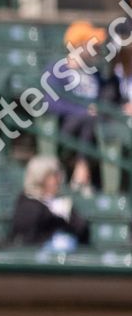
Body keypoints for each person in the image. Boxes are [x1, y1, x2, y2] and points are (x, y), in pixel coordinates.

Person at [43, 21, 110, 190]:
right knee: (88, 117)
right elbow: (49, 102)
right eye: (92, 44)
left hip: (93, 128)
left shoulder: (95, 73)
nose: (97, 48)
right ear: (79, 46)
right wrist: (81, 110)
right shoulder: (58, 70)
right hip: (65, 126)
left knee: (93, 119)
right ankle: (81, 168)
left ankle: (82, 169)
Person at [7, 156, 89, 252]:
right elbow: (29, 234)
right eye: (53, 176)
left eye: (58, 175)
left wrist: (67, 214)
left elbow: (81, 229)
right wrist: (56, 214)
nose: (58, 180)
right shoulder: (27, 203)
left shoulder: (62, 202)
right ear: (40, 178)